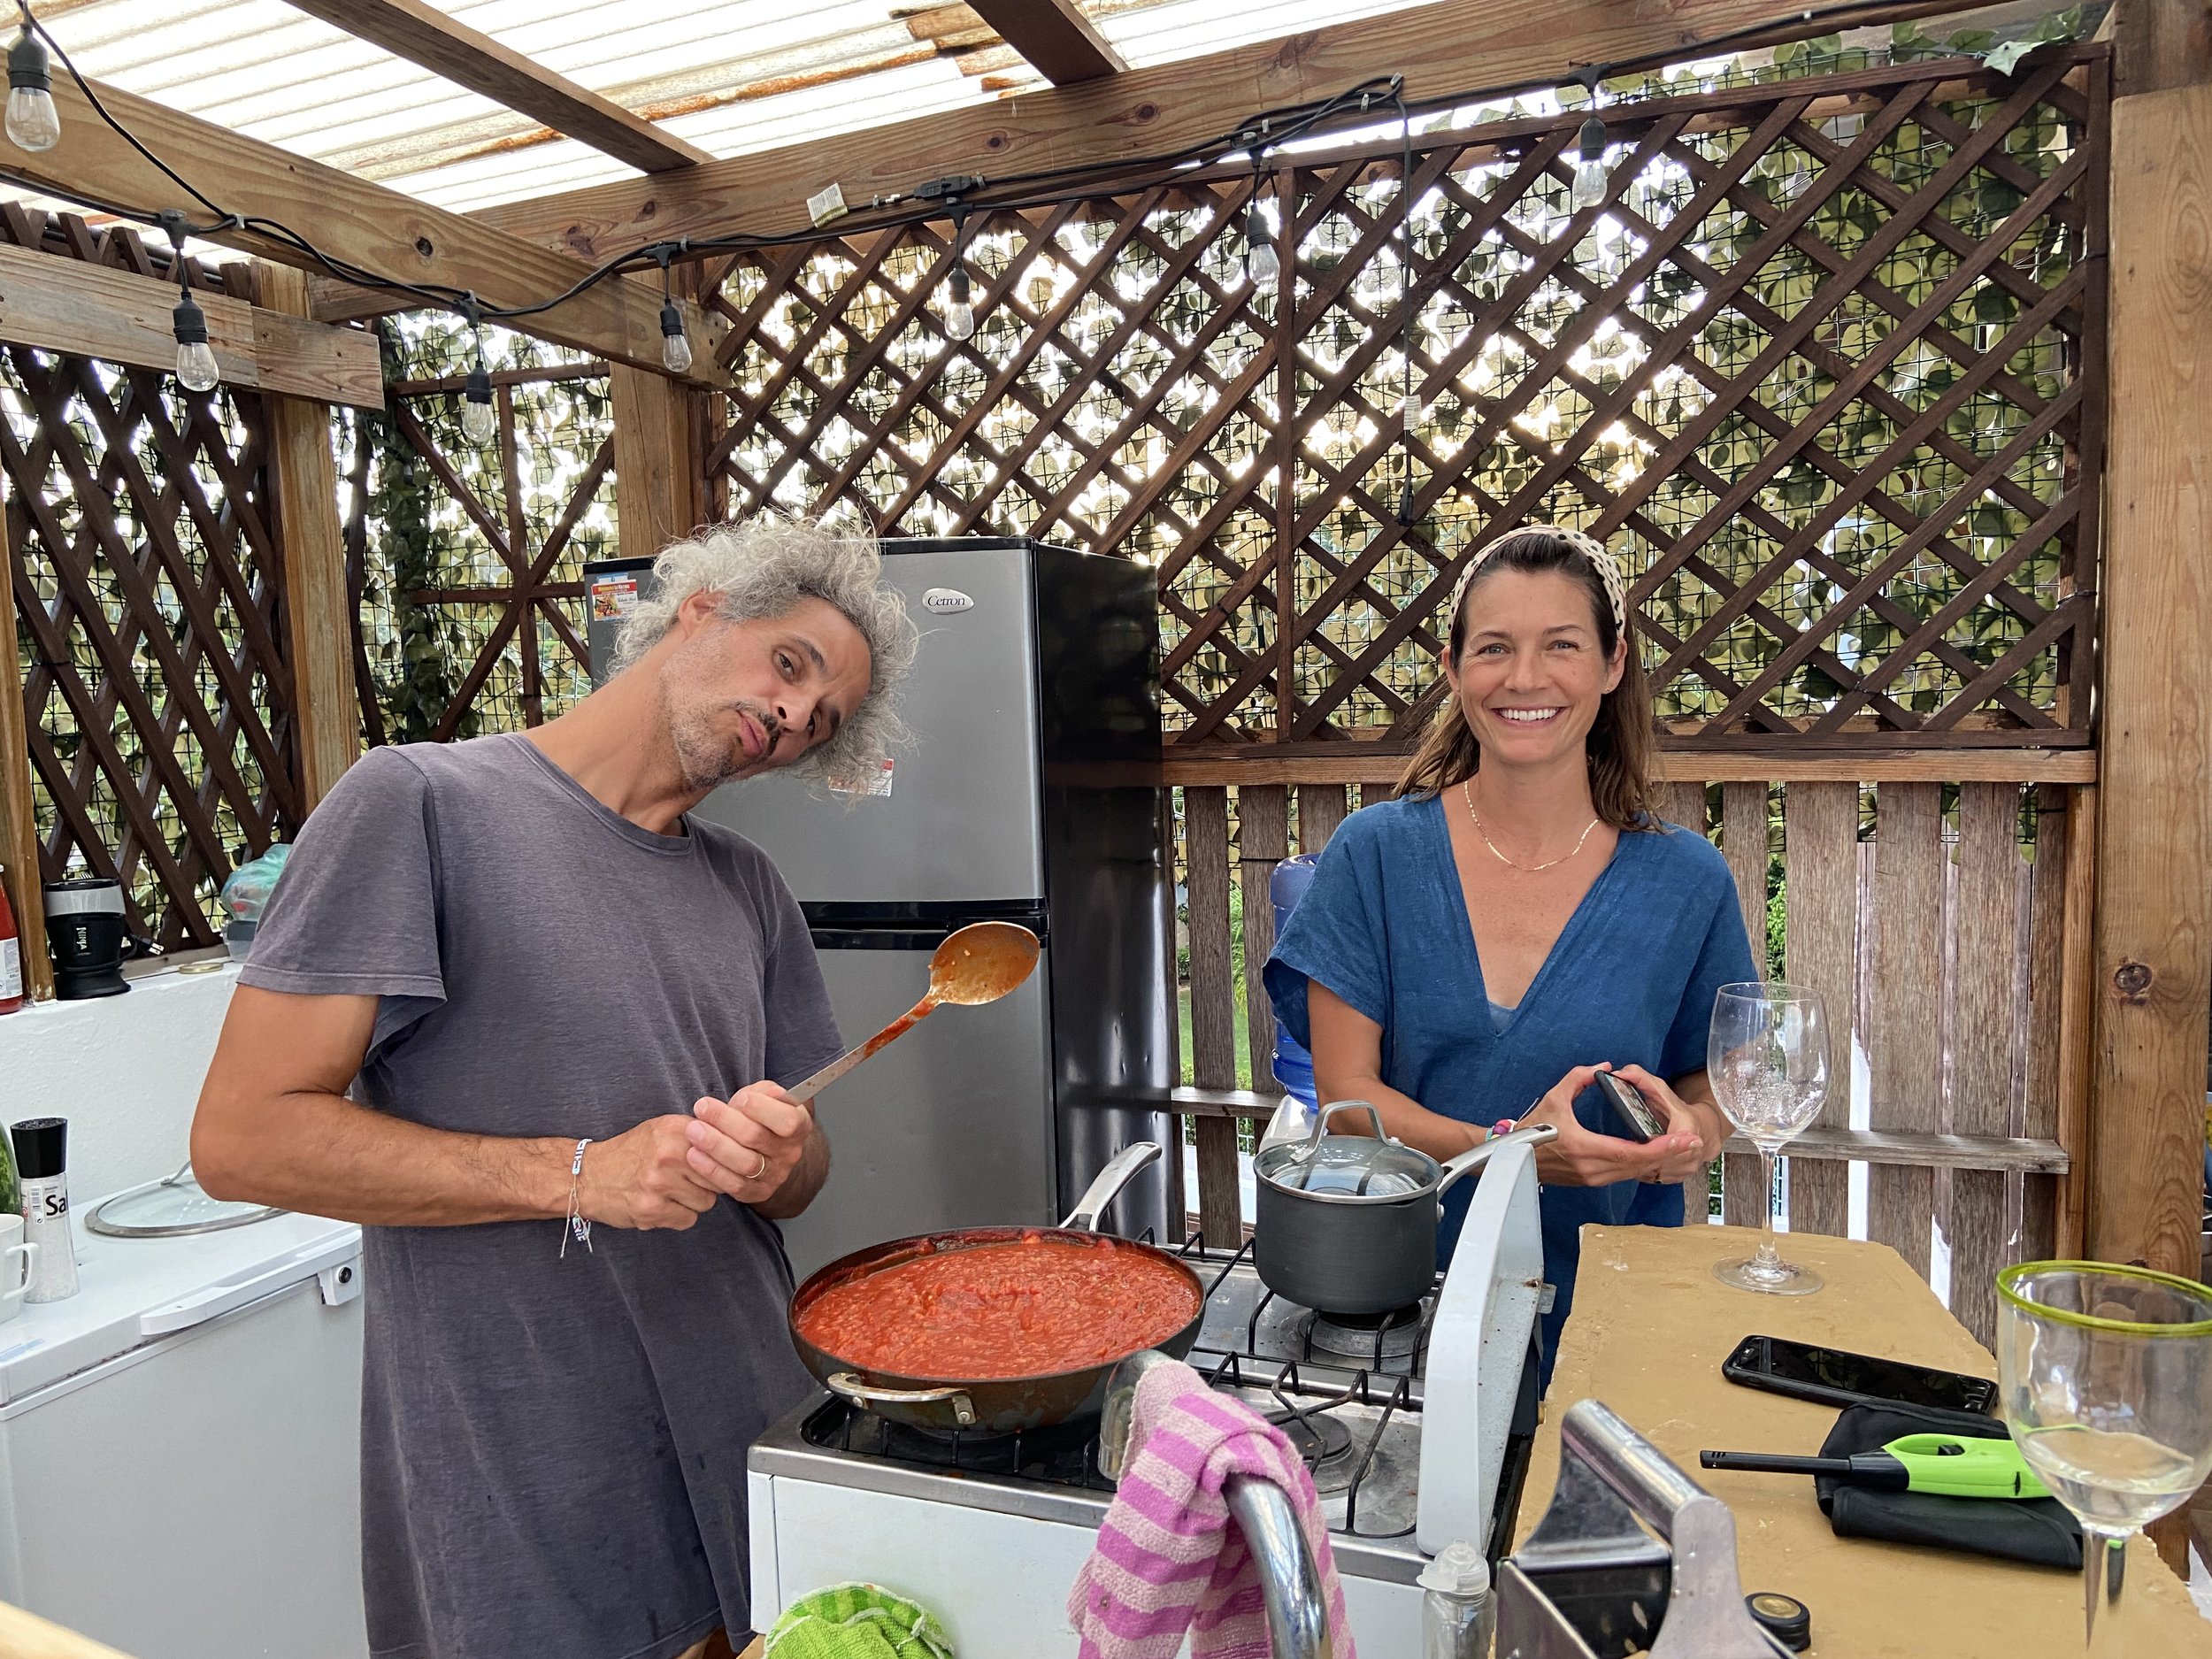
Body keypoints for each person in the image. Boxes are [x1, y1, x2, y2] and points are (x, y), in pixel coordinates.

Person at [192, 516, 917, 1659]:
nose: (791, 717)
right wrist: (581, 1172)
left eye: (819, 721)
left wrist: (783, 1159)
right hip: (528, 1457)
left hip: (749, 1423)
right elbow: (243, 1138)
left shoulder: (750, 886)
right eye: (790, 664)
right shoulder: (419, 805)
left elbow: (801, 1171)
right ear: (704, 608)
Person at [1263, 524, 1755, 1371]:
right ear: (1454, 669)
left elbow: (1712, 1086)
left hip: (1612, 1319)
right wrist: (1513, 1151)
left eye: (1561, 645)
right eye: (1495, 647)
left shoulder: (1688, 879)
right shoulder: (1373, 854)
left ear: (1612, 664)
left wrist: (1698, 1134)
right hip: (1402, 1312)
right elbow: (1348, 1101)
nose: (1525, 678)